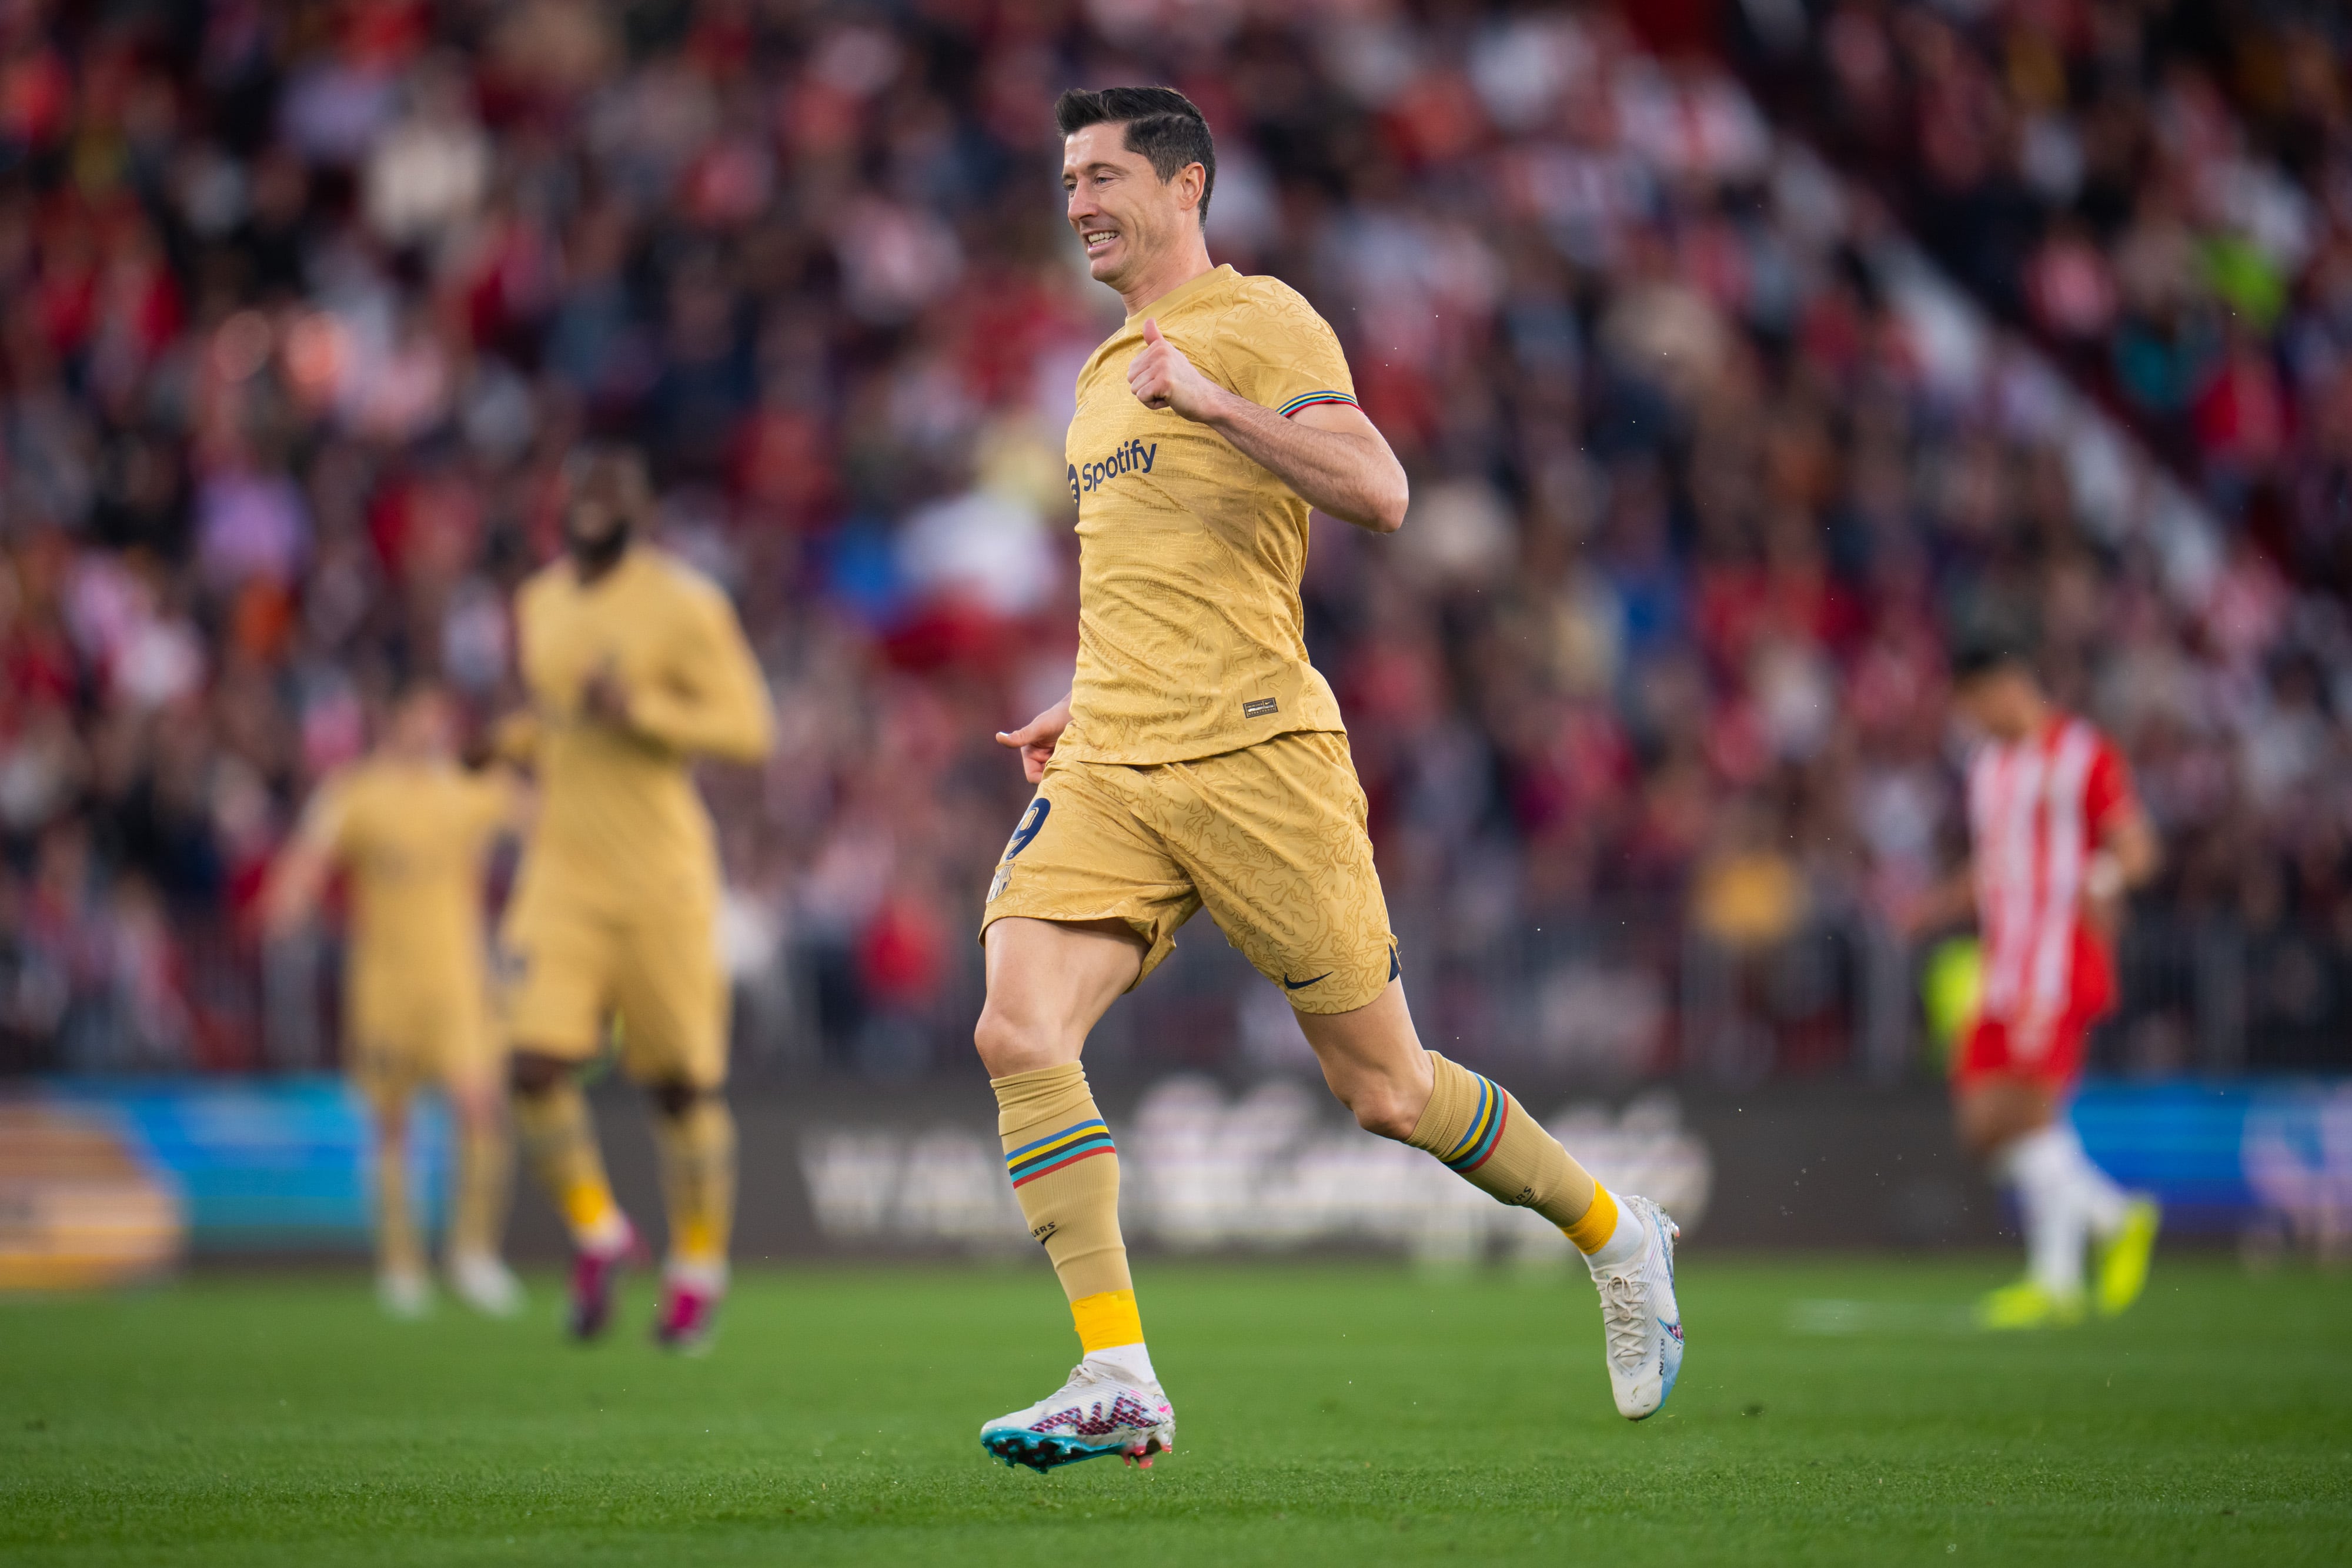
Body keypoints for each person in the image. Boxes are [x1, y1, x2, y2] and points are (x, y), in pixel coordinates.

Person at [971, 86, 1684, 1472]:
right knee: (1016, 1028)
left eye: (1105, 174)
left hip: (1255, 755)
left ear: (1187, 188)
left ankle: (1614, 1230)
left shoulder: (1262, 321)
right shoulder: (1089, 374)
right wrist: (1092, 690)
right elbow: (1156, 567)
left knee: (1389, 1092)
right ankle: (1116, 1369)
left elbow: (1380, 488)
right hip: (1117, 756)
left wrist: (1211, 398)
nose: (1079, 204)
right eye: (1066, 180)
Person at [497, 444, 776, 1352]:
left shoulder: (687, 604)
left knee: (681, 1087)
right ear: (564, 502)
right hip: (562, 872)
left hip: (661, 876)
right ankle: (600, 1231)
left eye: (614, 489)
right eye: (583, 489)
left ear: (641, 507)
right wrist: (503, 743)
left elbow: (748, 729)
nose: (596, 503)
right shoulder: (537, 604)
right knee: (532, 1065)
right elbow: (554, 723)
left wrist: (645, 709)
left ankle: (698, 1265)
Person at [1913, 644, 2164, 1328]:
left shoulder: (2084, 754)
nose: (1969, 719)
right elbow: (1995, 865)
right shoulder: (1986, 766)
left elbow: (2137, 846)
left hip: (2060, 961)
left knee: (2021, 1117)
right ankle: (2096, 1235)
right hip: (2002, 964)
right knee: (1985, 1125)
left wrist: (2105, 880)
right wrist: (1932, 906)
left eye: (1973, 703)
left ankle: (2069, 1264)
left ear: (2006, 686)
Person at [265, 683, 526, 1319]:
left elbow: (538, 816)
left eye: (440, 719)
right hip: (382, 982)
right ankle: (401, 1266)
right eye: (421, 716)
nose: (431, 729)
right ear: (395, 719)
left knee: (479, 1107)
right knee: (391, 1123)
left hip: (458, 982)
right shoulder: (355, 793)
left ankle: (471, 1256)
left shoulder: (466, 789)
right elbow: (308, 855)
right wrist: (290, 897)